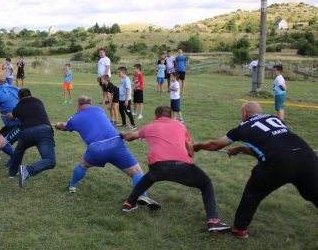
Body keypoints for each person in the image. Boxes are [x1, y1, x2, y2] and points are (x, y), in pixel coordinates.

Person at [193, 101, 318, 239]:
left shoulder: (241, 129)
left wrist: (198, 146)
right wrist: (240, 149)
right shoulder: (274, 118)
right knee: (314, 193)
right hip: (307, 157)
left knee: (252, 193)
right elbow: (271, 146)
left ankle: (240, 229)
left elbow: (215, 145)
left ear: (244, 113)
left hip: (278, 162)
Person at [120, 105, 231, 233]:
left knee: (150, 177)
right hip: (181, 166)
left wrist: (122, 134)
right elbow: (190, 153)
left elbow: (130, 137)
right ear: (172, 116)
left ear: (155, 116)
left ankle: (129, 203)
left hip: (158, 166)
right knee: (206, 183)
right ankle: (213, 220)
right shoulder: (180, 125)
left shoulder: (148, 127)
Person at [54, 96, 160, 206]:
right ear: (90, 104)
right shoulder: (100, 110)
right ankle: (143, 195)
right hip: (116, 144)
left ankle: (72, 185)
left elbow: (63, 127)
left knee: (83, 165)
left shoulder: (74, 119)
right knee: (137, 172)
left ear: (78, 105)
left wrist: (58, 125)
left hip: (96, 149)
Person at [6, 88, 56, 187]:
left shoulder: (18, 107)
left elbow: (12, 116)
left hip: (26, 133)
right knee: (50, 160)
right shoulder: (38, 101)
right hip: (43, 131)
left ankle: (12, 173)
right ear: (30, 95)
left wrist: (8, 115)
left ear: (19, 98)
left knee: (18, 152)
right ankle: (27, 170)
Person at [0, 78, 21, 164]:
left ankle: (15, 160)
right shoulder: (17, 89)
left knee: (0, 142)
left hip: (19, 124)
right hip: (17, 121)